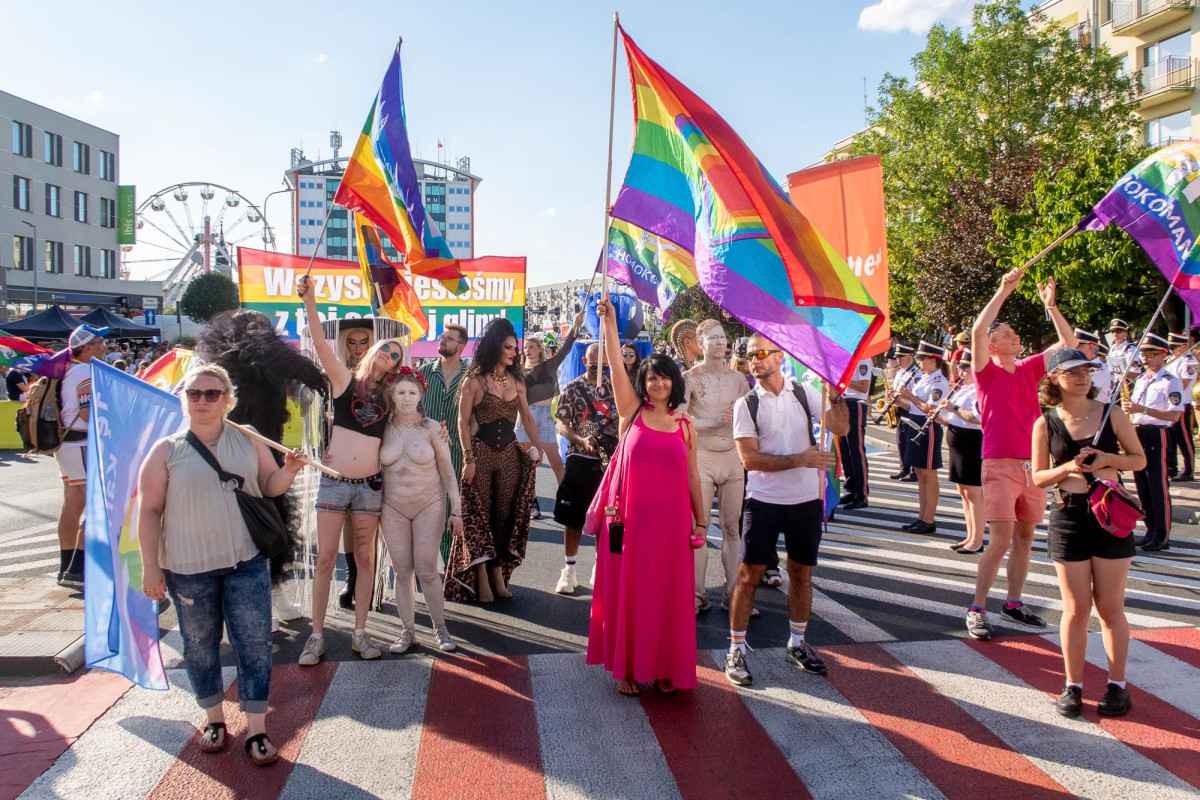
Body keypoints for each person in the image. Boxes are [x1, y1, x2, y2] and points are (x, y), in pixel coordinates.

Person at [137, 364, 307, 766]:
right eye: (194, 393)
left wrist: (289, 471)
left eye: (212, 394)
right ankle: (214, 719)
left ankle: (257, 729)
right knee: (199, 645)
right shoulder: (166, 449)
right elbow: (149, 510)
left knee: (254, 644)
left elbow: (268, 487)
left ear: (227, 399)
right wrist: (150, 567)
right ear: (185, 398)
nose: (202, 401)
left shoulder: (248, 439)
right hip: (186, 568)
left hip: (245, 562)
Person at [587, 298, 704, 696]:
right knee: (632, 593)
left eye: (664, 378)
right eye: (651, 378)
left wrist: (701, 520)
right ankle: (626, 670)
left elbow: (693, 477)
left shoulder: (685, 425)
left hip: (672, 526)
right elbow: (618, 367)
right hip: (632, 523)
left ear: (675, 382)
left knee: (669, 598)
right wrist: (609, 326)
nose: (657, 384)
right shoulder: (631, 412)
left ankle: (668, 666)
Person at [723, 334, 849, 687]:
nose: (755, 361)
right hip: (763, 500)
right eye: (749, 356)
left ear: (780, 356)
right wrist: (801, 459)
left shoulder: (804, 393)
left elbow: (841, 427)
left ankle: (797, 643)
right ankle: (736, 649)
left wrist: (835, 394)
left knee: (801, 574)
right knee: (749, 576)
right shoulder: (746, 404)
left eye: (761, 354)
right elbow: (749, 459)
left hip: (806, 500)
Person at [296, 275, 405, 664]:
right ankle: (317, 636)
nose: (386, 358)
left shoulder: (392, 395)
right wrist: (310, 301)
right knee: (326, 559)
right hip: (335, 482)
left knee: (365, 561)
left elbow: (413, 424)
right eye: (382, 351)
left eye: (394, 355)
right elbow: (320, 344)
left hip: (370, 487)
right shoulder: (343, 381)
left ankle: (361, 634)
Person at [1031, 348, 1144, 718]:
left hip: (1109, 514)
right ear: (1054, 380)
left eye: (1086, 371)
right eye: (1072, 372)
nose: (1082, 377)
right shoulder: (1046, 423)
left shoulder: (1112, 414)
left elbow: (1139, 459)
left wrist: (1109, 460)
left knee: (1110, 607)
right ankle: (1073, 687)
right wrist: (1067, 468)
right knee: (1076, 608)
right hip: (1068, 515)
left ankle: (1118, 687)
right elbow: (1038, 477)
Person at [966, 269, 1075, 641]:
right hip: (999, 464)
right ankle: (977, 608)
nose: (1016, 338)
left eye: (1015, 334)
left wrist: (1052, 306)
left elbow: (1068, 343)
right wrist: (1003, 290)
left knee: (1025, 538)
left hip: (1034, 466)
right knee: (999, 539)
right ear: (994, 347)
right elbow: (979, 332)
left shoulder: (1029, 369)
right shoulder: (984, 371)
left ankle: (1012, 603)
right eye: (1007, 335)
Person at [445, 318, 543, 603]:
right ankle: (483, 578)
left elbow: (527, 417)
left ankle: (499, 575)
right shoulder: (473, 380)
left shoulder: (517, 380)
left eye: (516, 348)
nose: (514, 353)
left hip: (510, 455)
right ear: (494, 347)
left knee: (504, 516)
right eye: (508, 347)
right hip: (481, 454)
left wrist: (537, 448)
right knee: (480, 516)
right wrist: (468, 458)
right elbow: (462, 423)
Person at [379, 369, 462, 653]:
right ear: (392, 395)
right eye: (400, 393)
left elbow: (448, 472)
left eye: (412, 393)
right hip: (392, 506)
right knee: (401, 570)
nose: (406, 398)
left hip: (429, 503)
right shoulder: (381, 428)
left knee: (426, 568)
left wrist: (457, 510)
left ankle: (441, 629)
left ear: (420, 396)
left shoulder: (432, 428)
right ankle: (407, 632)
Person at [682, 319, 751, 613]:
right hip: (703, 460)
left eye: (722, 337)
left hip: (733, 459)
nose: (720, 342)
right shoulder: (689, 378)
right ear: (701, 343)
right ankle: (697, 594)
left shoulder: (739, 379)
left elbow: (751, 417)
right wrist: (713, 421)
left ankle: (733, 592)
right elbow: (679, 420)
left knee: (732, 528)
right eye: (712, 338)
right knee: (700, 528)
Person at [552, 342, 618, 594]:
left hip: (610, 462)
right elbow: (562, 424)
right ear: (584, 362)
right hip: (580, 458)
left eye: (604, 365)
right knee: (573, 518)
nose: (599, 369)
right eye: (594, 364)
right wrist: (580, 440)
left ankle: (600, 567)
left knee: (606, 515)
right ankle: (568, 570)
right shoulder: (573, 388)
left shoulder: (617, 388)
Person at [54, 324, 108, 587]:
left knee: (72, 505)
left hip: (67, 444)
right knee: (96, 503)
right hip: (81, 442)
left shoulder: (69, 369)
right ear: (86, 347)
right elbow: (88, 414)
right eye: (100, 342)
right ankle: (77, 570)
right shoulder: (86, 370)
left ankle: (67, 567)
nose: (105, 346)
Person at [1122, 333, 1183, 552]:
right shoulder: (1140, 380)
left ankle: (1162, 534)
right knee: (1142, 484)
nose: (1145, 359)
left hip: (1158, 433)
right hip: (1138, 432)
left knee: (1158, 484)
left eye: (1150, 354)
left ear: (1163, 355)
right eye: (1143, 354)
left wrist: (1143, 410)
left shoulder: (1170, 381)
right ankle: (1149, 530)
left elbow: (1174, 416)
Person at [519, 312, 583, 517]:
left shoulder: (549, 366)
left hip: (545, 416)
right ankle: (532, 503)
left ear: (539, 349)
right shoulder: (517, 371)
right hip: (524, 419)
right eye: (525, 347)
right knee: (530, 465)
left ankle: (566, 499)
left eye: (531, 346)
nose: (528, 350)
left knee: (556, 462)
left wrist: (575, 328)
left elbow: (565, 350)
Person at [419, 323, 469, 564]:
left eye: (448, 338)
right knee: (423, 506)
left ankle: (451, 565)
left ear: (460, 346)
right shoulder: (424, 373)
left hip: (457, 451)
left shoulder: (470, 377)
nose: (442, 340)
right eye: (441, 336)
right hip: (423, 451)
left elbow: (476, 418)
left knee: (453, 505)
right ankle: (422, 565)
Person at [336, 325, 374, 608]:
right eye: (352, 342)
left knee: (372, 521)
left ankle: (370, 576)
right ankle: (353, 575)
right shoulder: (334, 372)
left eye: (364, 342)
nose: (358, 347)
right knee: (350, 517)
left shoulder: (383, 374)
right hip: (343, 455)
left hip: (376, 453)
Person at [898, 341, 950, 533]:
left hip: (928, 427)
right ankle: (921, 516)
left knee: (928, 473)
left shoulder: (939, 382)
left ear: (933, 360)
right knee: (920, 473)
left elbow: (931, 409)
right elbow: (914, 406)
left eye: (921, 358)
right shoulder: (924, 379)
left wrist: (910, 396)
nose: (919, 362)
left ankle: (929, 519)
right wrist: (900, 400)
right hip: (915, 423)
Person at [939, 350, 984, 553]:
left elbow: (976, 418)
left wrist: (953, 408)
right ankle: (969, 535)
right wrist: (942, 418)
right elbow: (955, 417)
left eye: (966, 368)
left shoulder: (980, 390)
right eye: (960, 367)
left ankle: (978, 540)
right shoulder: (962, 389)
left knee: (974, 493)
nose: (961, 371)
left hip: (972, 442)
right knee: (963, 492)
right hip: (958, 440)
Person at [838, 356, 874, 510]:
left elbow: (864, 386)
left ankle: (861, 494)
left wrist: (842, 381)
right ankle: (850, 488)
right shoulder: (846, 357)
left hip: (856, 404)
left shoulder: (863, 359)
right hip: (843, 402)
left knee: (856, 450)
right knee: (845, 450)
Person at [1165, 331, 1197, 482]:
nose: (1172, 350)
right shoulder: (1171, 360)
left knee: (1183, 438)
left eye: (1174, 346)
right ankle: (1171, 468)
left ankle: (1189, 469)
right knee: (1170, 437)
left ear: (1183, 346)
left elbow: (1184, 382)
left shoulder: (1189, 361)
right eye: (1170, 346)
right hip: (1169, 405)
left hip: (1182, 404)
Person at [889, 343, 919, 482]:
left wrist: (901, 399)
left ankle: (914, 471)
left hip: (910, 410)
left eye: (901, 357)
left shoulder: (916, 374)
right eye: (897, 357)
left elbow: (917, 397)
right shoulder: (900, 372)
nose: (898, 360)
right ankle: (904, 468)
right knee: (901, 440)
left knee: (910, 440)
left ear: (910, 357)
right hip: (899, 409)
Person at [1074, 329, 1112, 404]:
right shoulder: (1081, 365)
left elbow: (1086, 393)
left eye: (1077, 345)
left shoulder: (1099, 369)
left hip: (1097, 413)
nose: (1073, 348)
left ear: (1091, 347)